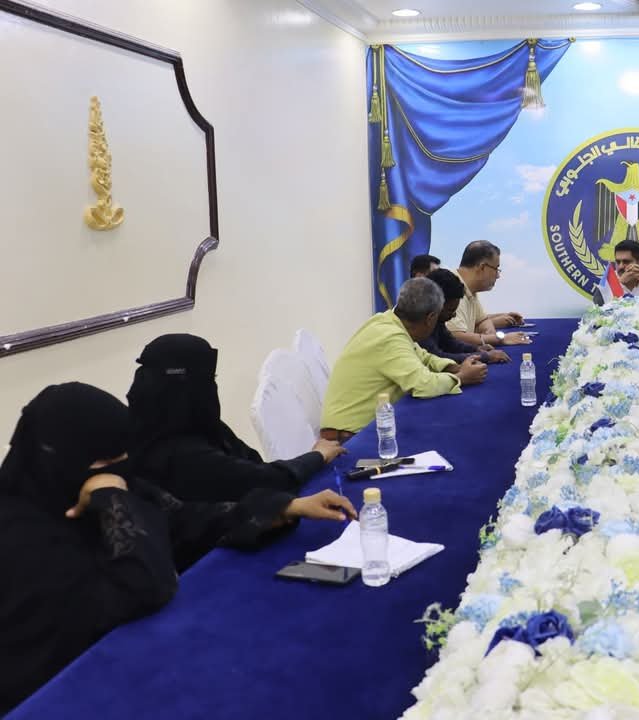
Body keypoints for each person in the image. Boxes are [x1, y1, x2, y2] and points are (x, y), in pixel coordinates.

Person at [0, 383, 357, 713]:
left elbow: (183, 521)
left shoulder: (106, 484)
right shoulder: (19, 536)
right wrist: (111, 498)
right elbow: (140, 588)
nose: (116, 471)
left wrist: (283, 507)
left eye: (121, 456)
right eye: (104, 464)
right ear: (55, 457)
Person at [127, 334, 346, 503]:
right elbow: (262, 481)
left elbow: (253, 464)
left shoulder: (190, 424)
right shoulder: (178, 453)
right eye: (209, 379)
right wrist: (317, 456)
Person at [321, 277, 487, 437]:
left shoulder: (388, 322)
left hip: (365, 428)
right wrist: (461, 377)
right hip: (349, 438)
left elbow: (423, 356)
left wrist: (454, 367)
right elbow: (423, 385)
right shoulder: (389, 337)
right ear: (430, 318)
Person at [445, 241, 531, 347]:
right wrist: (501, 339)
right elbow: (455, 336)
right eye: (496, 269)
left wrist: (489, 335)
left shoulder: (469, 288)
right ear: (482, 267)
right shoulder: (451, 287)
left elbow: (482, 320)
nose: (498, 276)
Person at [422, 269, 511, 364]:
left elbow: (449, 342)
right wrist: (485, 357)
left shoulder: (437, 319)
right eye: (450, 310)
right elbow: (437, 358)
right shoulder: (420, 325)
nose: (454, 315)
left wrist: (476, 349)